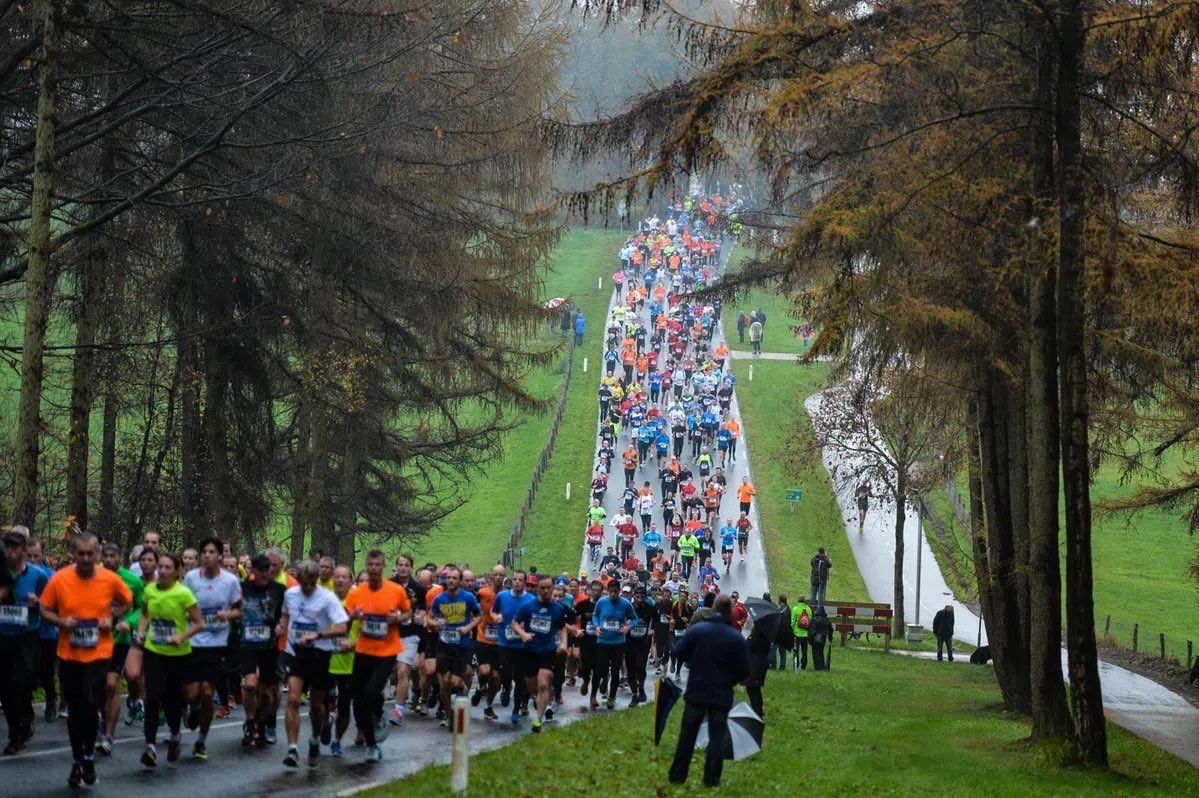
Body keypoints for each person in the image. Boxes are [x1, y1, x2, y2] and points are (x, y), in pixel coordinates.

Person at [38, 532, 133, 788]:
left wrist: (111, 618)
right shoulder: (60, 579)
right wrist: (61, 622)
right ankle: (78, 760)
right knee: (75, 709)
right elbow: (44, 608)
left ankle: (88, 755)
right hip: (69, 653)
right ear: (74, 555)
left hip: (99, 653)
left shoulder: (110, 579)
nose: (86, 559)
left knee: (90, 704)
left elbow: (128, 601)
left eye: (91, 554)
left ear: (98, 555)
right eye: (81, 554)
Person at [668, 595, 751, 788]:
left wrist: (692, 659)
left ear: (713, 609)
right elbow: (745, 670)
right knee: (717, 737)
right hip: (721, 694)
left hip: (696, 690)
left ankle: (677, 775)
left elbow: (677, 652)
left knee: (687, 735)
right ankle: (711, 779)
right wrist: (731, 678)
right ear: (730, 611)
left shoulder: (698, 631)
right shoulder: (735, 638)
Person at [279, 560, 348, 768]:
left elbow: (343, 626)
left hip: (319, 654)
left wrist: (318, 634)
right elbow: (285, 616)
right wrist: (281, 628)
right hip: (295, 652)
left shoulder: (327, 598)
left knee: (317, 705)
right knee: (292, 698)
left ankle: (315, 739)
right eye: (304, 584)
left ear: (316, 580)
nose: (307, 588)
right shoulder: (290, 594)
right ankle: (292, 748)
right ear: (298, 580)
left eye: (311, 584)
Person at [344, 550, 412, 763]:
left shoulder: (395, 590)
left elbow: (408, 613)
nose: (373, 568)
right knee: (358, 698)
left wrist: (398, 619)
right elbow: (344, 616)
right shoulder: (357, 593)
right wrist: (351, 617)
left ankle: (378, 711)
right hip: (364, 649)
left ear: (383, 566)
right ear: (366, 565)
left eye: (377, 565)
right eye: (370, 564)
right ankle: (372, 744)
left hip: (387, 650)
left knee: (372, 691)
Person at [138, 551, 203, 767]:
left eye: (168, 568)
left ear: (176, 572)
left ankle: (175, 734)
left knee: (172, 699)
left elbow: (198, 623)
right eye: (161, 567)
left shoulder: (184, 594)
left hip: (178, 654)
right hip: (154, 649)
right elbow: (145, 614)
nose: (163, 571)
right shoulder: (149, 590)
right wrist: (141, 631)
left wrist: (181, 636)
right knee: (152, 697)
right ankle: (150, 746)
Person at [182, 536, 242, 760]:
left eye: (211, 552)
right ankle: (193, 708)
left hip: (216, 644)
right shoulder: (190, 578)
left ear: (219, 556)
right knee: (192, 693)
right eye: (204, 552)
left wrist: (227, 614)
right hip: (193, 641)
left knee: (208, 692)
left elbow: (239, 610)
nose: (207, 556)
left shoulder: (230, 582)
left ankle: (201, 741)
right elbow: (182, 604)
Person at [0, 527, 50, 755]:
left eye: (14, 547)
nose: (9, 552)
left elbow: (51, 605)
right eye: (6, 547)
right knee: (5, 687)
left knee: (21, 682)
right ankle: (14, 732)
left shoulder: (38, 575)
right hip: (3, 635)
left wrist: (38, 602)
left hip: (28, 635)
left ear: (24, 550)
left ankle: (26, 716)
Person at [97, 543, 143, 756]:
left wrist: (130, 622)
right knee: (96, 689)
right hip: (93, 640)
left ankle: (108, 736)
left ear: (121, 557)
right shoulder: (91, 575)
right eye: (105, 556)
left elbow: (143, 608)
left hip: (119, 639)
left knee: (111, 684)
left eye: (113, 556)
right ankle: (101, 719)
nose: (108, 560)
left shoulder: (132, 580)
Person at [239, 553, 286, 748]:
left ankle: (264, 719)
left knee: (270, 693)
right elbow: (234, 607)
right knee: (250, 684)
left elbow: (286, 613)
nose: (265, 574)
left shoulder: (279, 590)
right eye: (261, 570)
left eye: (268, 570)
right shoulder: (242, 588)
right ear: (253, 571)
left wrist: (281, 627)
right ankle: (250, 722)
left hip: (269, 646)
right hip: (247, 645)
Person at [511, 574, 569, 733]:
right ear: (537, 588)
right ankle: (537, 699)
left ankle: (538, 720)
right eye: (542, 588)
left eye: (548, 588)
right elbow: (515, 622)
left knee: (543, 682)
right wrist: (522, 634)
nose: (545, 591)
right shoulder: (528, 606)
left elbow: (562, 627)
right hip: (529, 650)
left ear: (553, 588)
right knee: (531, 685)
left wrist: (563, 643)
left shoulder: (558, 609)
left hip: (547, 650)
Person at [428, 566, 482, 729]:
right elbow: (429, 618)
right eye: (448, 578)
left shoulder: (468, 598)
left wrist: (467, 628)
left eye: (454, 578)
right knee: (444, 682)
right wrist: (436, 623)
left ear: (459, 581)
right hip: (444, 645)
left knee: (455, 681)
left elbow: (479, 616)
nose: (450, 580)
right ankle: (448, 713)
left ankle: (462, 688)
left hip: (461, 645)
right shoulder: (439, 599)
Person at [492, 570, 536, 724]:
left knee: (520, 679)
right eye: (515, 579)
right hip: (505, 642)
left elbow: (535, 617)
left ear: (524, 582)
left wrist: (527, 627)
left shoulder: (531, 599)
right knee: (504, 672)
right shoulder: (502, 596)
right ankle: (505, 687)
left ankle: (516, 708)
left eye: (520, 580)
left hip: (522, 645)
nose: (517, 582)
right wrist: (495, 617)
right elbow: (493, 611)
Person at [589, 579, 634, 710]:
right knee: (599, 670)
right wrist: (596, 626)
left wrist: (628, 628)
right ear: (607, 591)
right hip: (603, 641)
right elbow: (595, 615)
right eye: (611, 592)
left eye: (615, 592)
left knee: (615, 672)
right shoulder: (601, 602)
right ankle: (593, 695)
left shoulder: (625, 604)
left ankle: (612, 697)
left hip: (618, 642)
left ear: (619, 591)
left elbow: (634, 618)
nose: (613, 594)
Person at [625, 584, 655, 705]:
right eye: (637, 597)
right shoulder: (629, 608)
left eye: (642, 597)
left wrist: (653, 630)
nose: (639, 600)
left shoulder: (650, 608)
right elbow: (621, 621)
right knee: (631, 670)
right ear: (633, 596)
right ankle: (634, 694)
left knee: (640, 666)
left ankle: (641, 687)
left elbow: (657, 622)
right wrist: (625, 626)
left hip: (643, 643)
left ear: (645, 597)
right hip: (629, 643)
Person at [790, 594, 812, 671]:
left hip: (797, 633)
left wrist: (792, 630)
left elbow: (793, 621)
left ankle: (797, 663)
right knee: (804, 650)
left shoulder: (795, 609)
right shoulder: (808, 609)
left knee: (796, 649)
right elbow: (810, 620)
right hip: (805, 633)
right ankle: (804, 664)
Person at [810, 606, 833, 671]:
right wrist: (830, 638)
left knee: (815, 653)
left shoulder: (814, 619)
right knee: (820, 652)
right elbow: (831, 629)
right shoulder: (827, 620)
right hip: (823, 638)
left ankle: (817, 667)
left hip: (815, 638)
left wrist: (810, 639)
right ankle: (822, 666)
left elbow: (812, 630)